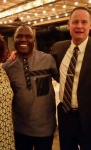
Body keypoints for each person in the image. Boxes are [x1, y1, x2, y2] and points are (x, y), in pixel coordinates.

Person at [3, 24, 58, 150]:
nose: (23, 39)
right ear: (14, 39)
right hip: (19, 129)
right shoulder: (7, 67)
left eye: (28, 36)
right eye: (19, 36)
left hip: (45, 129)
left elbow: (66, 80)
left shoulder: (48, 60)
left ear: (34, 39)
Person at [50, 6, 91, 150]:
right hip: (65, 115)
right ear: (68, 25)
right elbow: (47, 66)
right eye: (75, 22)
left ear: (90, 25)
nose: (79, 26)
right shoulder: (58, 48)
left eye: (84, 22)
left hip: (88, 117)